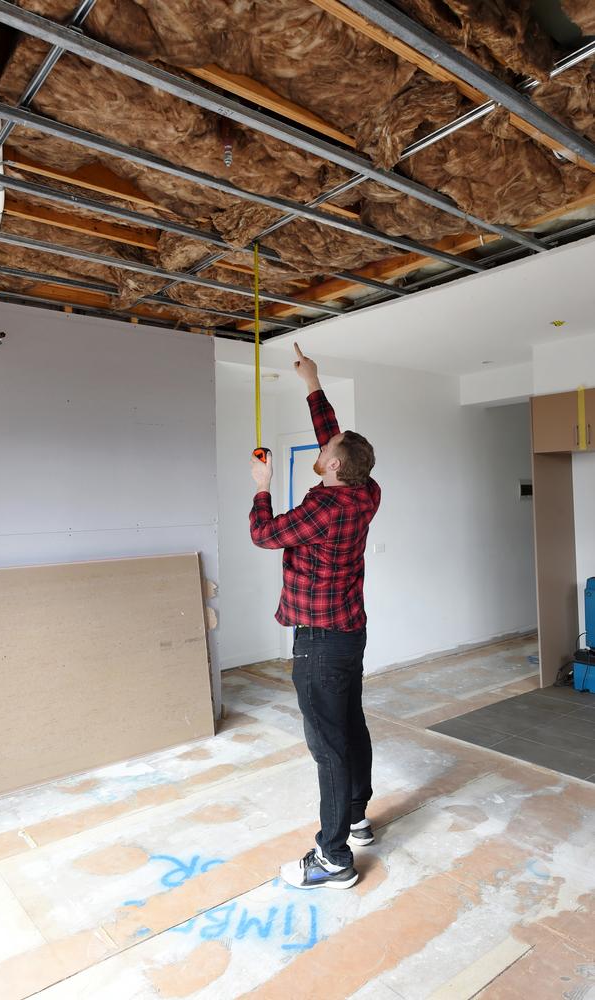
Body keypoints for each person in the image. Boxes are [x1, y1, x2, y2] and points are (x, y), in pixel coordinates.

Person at [249, 343, 381, 890]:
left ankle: (333, 858)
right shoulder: (366, 489)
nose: (323, 444)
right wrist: (312, 382)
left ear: (330, 467)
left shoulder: (322, 507)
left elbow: (263, 534)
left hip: (321, 643)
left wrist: (261, 489)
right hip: (348, 633)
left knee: (327, 744)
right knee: (350, 723)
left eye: (325, 448)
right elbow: (341, 440)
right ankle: (357, 819)